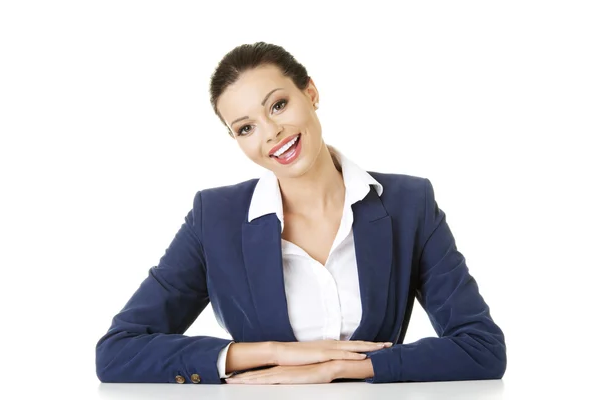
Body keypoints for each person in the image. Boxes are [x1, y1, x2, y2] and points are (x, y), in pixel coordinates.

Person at [95, 42, 507, 385]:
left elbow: (481, 347)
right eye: (245, 128)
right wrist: (277, 355)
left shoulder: (408, 203)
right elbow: (117, 352)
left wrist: (339, 368)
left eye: (277, 105)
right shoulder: (214, 218)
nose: (270, 133)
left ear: (310, 92)